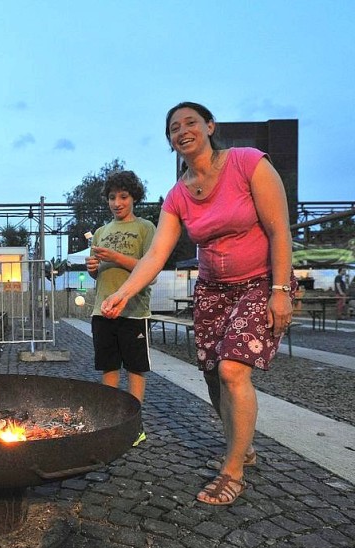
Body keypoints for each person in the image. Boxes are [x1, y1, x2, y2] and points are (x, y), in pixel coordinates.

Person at [101, 102, 294, 506]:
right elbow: (156, 256)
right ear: (170, 140)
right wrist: (121, 293)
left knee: (232, 370)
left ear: (210, 126)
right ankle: (243, 444)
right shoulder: (177, 195)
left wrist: (280, 290)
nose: (182, 130)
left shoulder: (248, 163)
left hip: (260, 281)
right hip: (213, 288)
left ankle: (233, 470)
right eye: (174, 127)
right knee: (210, 374)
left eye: (191, 122)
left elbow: (279, 229)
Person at [86, 170, 155, 446]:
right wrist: (93, 267)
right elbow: (97, 274)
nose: (117, 202)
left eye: (123, 197)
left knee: (136, 369)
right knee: (109, 367)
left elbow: (149, 268)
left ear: (134, 197)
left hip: (134, 310)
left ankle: (133, 424)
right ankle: (111, 420)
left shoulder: (145, 228)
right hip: (102, 311)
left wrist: (115, 256)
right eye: (112, 197)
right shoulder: (101, 232)